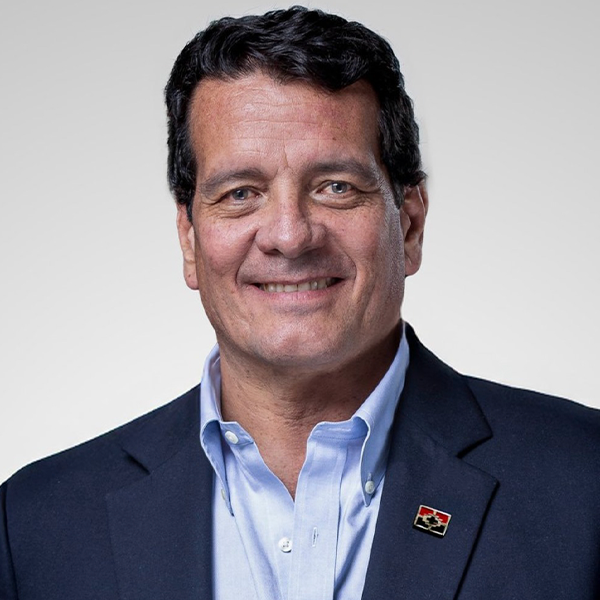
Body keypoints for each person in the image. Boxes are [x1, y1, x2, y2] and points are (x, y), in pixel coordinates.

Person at [1, 6, 599, 599]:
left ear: (410, 225)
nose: (289, 236)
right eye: (241, 193)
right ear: (189, 239)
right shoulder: (34, 528)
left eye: (336, 187)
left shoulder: (584, 485)